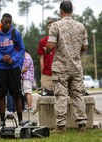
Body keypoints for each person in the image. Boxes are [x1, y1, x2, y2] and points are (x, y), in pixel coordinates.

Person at [46, 1, 88, 133]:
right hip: (76, 67)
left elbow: (51, 45)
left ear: (60, 10)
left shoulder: (55, 26)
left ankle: (60, 126)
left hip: (60, 67)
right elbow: (85, 46)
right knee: (77, 95)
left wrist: (47, 50)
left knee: (61, 96)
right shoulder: (81, 26)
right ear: (72, 10)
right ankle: (82, 125)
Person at [0, 13, 25, 128]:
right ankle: (2, 121)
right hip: (1, 68)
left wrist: (13, 59)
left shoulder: (15, 33)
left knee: (17, 94)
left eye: (10, 22)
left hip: (14, 67)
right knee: (1, 95)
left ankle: (21, 120)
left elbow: (22, 50)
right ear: (1, 22)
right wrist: (0, 57)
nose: (8, 24)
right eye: (6, 22)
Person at [37, 18, 57, 91]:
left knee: (61, 97)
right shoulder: (43, 41)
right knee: (46, 98)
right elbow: (41, 58)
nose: (51, 27)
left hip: (59, 74)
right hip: (47, 74)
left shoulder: (62, 40)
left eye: (53, 25)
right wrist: (42, 72)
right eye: (49, 25)